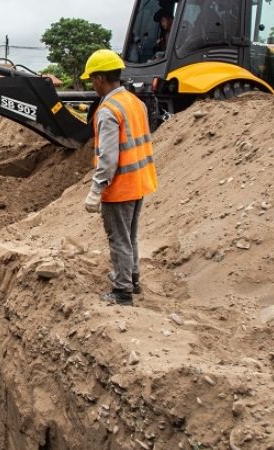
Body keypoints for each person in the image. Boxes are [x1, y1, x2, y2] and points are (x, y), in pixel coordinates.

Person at [81, 49, 158, 306]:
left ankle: (122, 291)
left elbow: (108, 158)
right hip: (140, 181)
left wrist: (96, 190)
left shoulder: (108, 110)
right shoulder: (136, 103)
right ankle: (133, 279)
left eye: (92, 79)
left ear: (101, 78)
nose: (92, 84)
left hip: (120, 186)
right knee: (130, 235)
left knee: (119, 239)